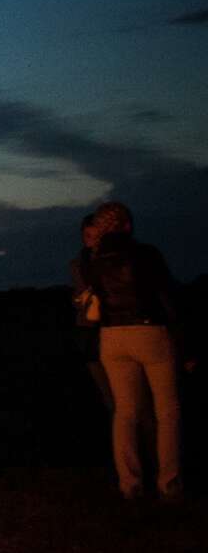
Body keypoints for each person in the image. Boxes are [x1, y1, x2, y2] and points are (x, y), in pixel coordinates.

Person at [82, 202, 191, 501]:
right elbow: (168, 294)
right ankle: (169, 482)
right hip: (148, 332)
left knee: (125, 412)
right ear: (127, 225)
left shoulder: (95, 261)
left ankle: (130, 484)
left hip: (111, 337)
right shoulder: (145, 255)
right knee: (167, 410)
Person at [69, 214, 114, 415]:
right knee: (109, 394)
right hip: (89, 331)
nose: (90, 240)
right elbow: (79, 296)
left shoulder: (112, 262)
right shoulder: (78, 264)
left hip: (112, 329)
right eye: (87, 235)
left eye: (95, 236)